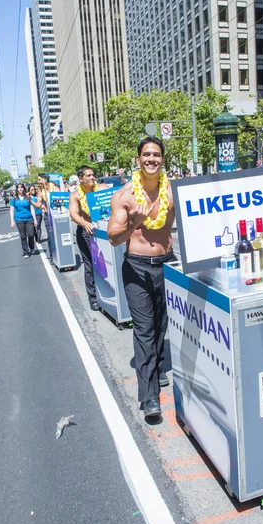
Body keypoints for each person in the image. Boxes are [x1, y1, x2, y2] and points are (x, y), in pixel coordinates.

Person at [107, 136, 176, 419]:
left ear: (162, 159)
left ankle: (158, 367)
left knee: (161, 324)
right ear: (138, 160)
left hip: (167, 264)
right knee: (145, 329)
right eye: (146, 155)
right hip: (136, 267)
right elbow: (113, 238)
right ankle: (149, 397)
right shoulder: (124, 196)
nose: (151, 159)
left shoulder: (174, 192)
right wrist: (134, 222)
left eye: (156, 155)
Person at [69, 166, 101, 311]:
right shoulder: (75, 195)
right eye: (88, 175)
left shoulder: (102, 189)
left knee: (105, 265)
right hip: (86, 233)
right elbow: (74, 214)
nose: (92, 177)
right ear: (80, 179)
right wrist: (85, 223)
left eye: (93, 175)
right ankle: (93, 298)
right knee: (90, 266)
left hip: (103, 231)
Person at [10, 183, 37, 258]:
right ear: (17, 189)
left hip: (29, 218)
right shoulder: (14, 199)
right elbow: (12, 210)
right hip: (19, 219)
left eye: (21, 187)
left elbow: (32, 208)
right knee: (23, 236)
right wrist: (12, 221)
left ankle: (32, 247)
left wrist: (35, 219)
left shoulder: (27, 197)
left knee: (31, 234)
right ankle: (25, 251)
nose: (20, 189)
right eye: (18, 187)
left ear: (24, 188)